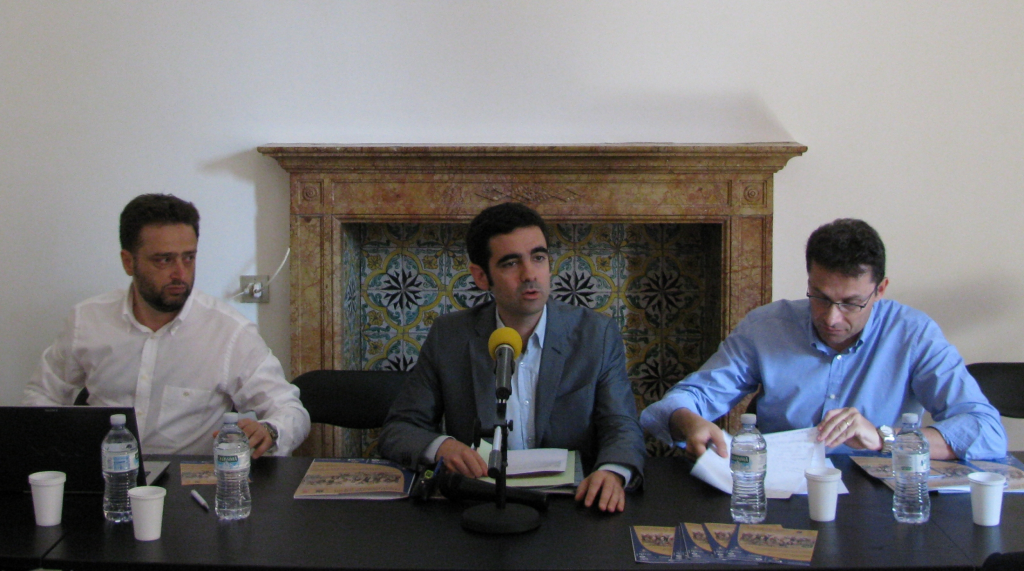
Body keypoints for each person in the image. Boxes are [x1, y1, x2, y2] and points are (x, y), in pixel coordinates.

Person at [641, 218, 1006, 461]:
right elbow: (684, 401)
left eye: (851, 303)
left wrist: (885, 438)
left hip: (879, 495)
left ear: (880, 290)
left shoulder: (913, 334)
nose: (832, 318)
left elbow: (985, 430)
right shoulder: (767, 327)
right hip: (779, 490)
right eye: (820, 297)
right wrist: (689, 421)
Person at [379, 202, 646, 512]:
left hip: (570, 505)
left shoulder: (596, 334)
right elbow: (399, 429)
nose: (530, 274)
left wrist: (613, 471)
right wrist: (442, 447)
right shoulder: (449, 336)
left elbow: (622, 425)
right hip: (478, 503)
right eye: (510, 263)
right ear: (482, 276)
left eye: (539, 257)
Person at [24, 194, 310, 457]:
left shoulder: (229, 332)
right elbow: (41, 396)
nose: (180, 273)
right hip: (107, 476)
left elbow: (289, 410)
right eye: (164, 260)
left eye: (189, 257)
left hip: (190, 485)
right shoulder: (87, 321)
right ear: (128, 262)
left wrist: (270, 431)